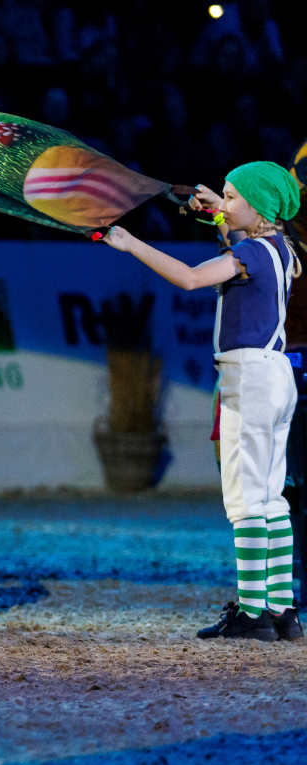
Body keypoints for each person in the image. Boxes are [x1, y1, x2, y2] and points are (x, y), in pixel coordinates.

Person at [102, 162, 303, 642]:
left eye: (233, 197)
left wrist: (131, 244)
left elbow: (192, 278)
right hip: (276, 376)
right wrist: (219, 213)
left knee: (246, 501)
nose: (223, 202)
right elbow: (236, 237)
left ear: (258, 208)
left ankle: (253, 613)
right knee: (272, 498)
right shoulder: (280, 248)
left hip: (250, 379)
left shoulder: (251, 250)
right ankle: (281, 610)